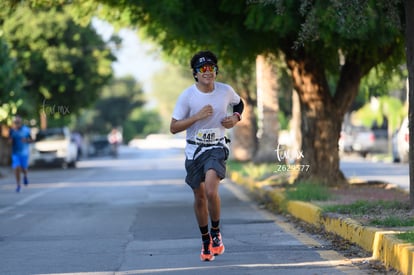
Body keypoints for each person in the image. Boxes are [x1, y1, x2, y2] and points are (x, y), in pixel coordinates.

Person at [170, 50, 244, 261]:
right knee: (200, 196)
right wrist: (196, 117)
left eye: (211, 68)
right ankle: (205, 241)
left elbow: (239, 103)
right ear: (195, 74)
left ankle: (216, 232)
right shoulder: (188, 96)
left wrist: (236, 117)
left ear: (216, 71)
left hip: (217, 147)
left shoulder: (225, 91)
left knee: (211, 191)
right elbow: (173, 127)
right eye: (202, 69)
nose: (207, 72)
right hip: (194, 151)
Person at [9, 116, 32, 193]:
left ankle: (25, 176)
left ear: (21, 122)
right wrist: (10, 141)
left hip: (24, 153)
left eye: (18, 122)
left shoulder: (26, 130)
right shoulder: (12, 131)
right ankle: (18, 185)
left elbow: (31, 139)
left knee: (24, 168)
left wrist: (26, 140)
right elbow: (9, 141)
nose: (16, 124)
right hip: (15, 153)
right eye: (15, 122)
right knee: (17, 168)